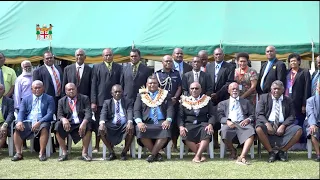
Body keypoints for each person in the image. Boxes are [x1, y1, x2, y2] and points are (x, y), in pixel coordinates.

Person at [255, 80, 302, 163]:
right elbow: (259, 114)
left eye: (278, 89)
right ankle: (271, 152)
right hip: (268, 123)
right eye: (274, 89)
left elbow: (292, 116)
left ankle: (282, 151)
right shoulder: (263, 98)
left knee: (298, 130)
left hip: (283, 125)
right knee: (259, 129)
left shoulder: (288, 100)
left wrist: (283, 125)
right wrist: (267, 124)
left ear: (283, 90)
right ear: (271, 89)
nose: (276, 91)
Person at [12, 80, 55, 161]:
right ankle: (18, 153)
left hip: (42, 121)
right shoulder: (25, 99)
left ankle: (41, 153)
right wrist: (20, 121)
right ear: (31, 89)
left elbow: (50, 114)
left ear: (43, 88)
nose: (37, 90)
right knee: (17, 128)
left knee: (44, 128)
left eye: (39, 88)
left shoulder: (49, 98)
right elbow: (21, 111)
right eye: (35, 88)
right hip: (28, 121)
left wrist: (39, 122)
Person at [134, 75, 173, 162]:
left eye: (154, 83)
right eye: (150, 83)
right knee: (140, 129)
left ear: (158, 84)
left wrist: (168, 120)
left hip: (161, 121)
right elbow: (136, 110)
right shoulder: (141, 95)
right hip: (147, 122)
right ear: (146, 84)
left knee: (166, 129)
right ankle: (157, 154)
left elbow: (170, 108)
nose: (152, 85)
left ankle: (152, 155)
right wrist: (139, 122)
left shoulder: (165, 94)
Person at [91, 48, 122, 153]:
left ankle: (111, 145)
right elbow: (94, 85)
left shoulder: (119, 67)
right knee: (99, 124)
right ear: (102, 56)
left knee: (112, 123)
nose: (108, 57)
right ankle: (97, 145)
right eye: (106, 55)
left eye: (110, 55)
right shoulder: (96, 67)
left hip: (115, 100)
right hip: (100, 101)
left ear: (113, 56)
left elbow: (121, 84)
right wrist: (93, 101)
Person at [217, 82, 255, 165]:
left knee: (251, 131)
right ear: (228, 91)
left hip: (243, 124)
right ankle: (232, 150)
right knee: (224, 131)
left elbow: (253, 115)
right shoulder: (223, 104)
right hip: (230, 124)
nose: (235, 91)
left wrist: (248, 120)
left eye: (236, 89)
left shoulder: (246, 102)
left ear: (239, 90)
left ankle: (242, 156)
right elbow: (220, 117)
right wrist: (227, 121)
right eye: (233, 89)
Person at [178, 82, 214, 163]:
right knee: (185, 133)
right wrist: (181, 126)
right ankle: (201, 155)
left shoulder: (207, 100)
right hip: (189, 124)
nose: (194, 90)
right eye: (192, 88)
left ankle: (197, 156)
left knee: (207, 131)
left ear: (200, 90)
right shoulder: (184, 101)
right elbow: (180, 117)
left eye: (197, 88)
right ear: (189, 90)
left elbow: (212, 115)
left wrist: (210, 124)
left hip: (203, 124)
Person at [55, 83, 92, 161]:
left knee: (88, 125)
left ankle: (84, 153)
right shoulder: (61, 101)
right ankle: (64, 153)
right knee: (57, 126)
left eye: (73, 89)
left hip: (81, 122)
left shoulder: (84, 98)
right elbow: (59, 114)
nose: (71, 91)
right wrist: (63, 119)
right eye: (69, 89)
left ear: (76, 90)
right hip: (69, 123)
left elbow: (88, 113)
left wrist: (84, 123)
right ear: (65, 91)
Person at [206, 48, 235, 148]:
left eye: (220, 54)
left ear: (223, 55)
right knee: (213, 119)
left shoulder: (230, 67)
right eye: (216, 54)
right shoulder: (208, 66)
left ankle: (225, 142)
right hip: (210, 98)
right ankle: (214, 142)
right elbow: (207, 81)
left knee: (223, 118)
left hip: (223, 97)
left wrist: (218, 94)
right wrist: (210, 94)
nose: (218, 56)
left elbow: (229, 82)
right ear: (213, 55)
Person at [99, 84, 134, 161]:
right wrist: (102, 123)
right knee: (101, 129)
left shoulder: (128, 102)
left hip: (124, 125)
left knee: (131, 128)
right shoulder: (107, 102)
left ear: (122, 92)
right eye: (115, 92)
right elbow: (103, 113)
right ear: (112, 93)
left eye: (119, 92)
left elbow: (130, 112)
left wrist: (130, 122)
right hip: (112, 124)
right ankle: (111, 152)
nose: (117, 93)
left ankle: (124, 152)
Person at [154, 55, 182, 151]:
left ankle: (174, 144)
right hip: (161, 103)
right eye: (166, 61)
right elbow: (155, 88)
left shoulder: (176, 73)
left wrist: (175, 97)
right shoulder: (157, 74)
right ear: (162, 62)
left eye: (170, 61)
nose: (168, 63)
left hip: (174, 102)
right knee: (163, 123)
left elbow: (179, 87)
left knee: (174, 124)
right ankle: (162, 145)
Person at [285, 53, 311, 150]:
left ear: (299, 62)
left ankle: (301, 144)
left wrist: (304, 104)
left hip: (299, 103)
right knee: (289, 123)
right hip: (287, 102)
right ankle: (290, 143)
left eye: (294, 61)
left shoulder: (304, 72)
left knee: (299, 123)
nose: (292, 63)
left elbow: (306, 89)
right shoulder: (287, 73)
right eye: (291, 61)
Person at [14, 60, 34, 150]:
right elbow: (17, 93)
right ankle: (24, 144)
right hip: (23, 103)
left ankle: (35, 143)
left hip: (35, 102)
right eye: (25, 66)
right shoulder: (19, 79)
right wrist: (18, 106)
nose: (27, 67)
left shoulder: (35, 76)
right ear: (22, 68)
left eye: (29, 66)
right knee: (23, 122)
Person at [305, 82, 320, 161]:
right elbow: (310, 114)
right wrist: (313, 124)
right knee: (313, 131)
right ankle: (318, 155)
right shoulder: (310, 100)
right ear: (317, 89)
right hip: (315, 122)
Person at [0, 84, 15, 150]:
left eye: (0, 89)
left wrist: (5, 124)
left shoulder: (9, 101)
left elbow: (11, 114)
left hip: (3, 122)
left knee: (3, 131)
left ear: (4, 91)